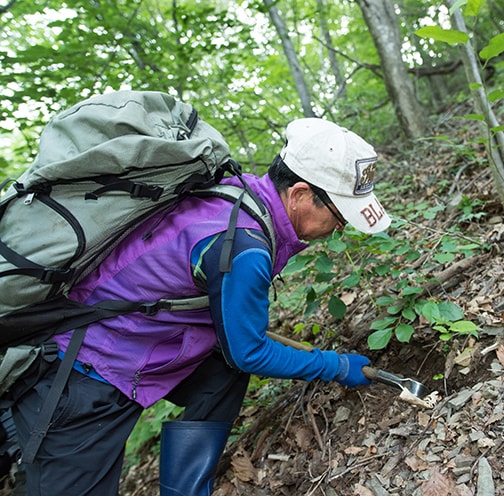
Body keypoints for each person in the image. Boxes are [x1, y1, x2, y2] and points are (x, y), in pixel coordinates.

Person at [8, 117, 392, 495]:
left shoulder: (234, 196)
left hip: (128, 353)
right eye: (339, 216)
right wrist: (336, 366)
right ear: (300, 194)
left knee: (222, 372)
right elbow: (250, 352)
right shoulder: (244, 246)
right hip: (79, 378)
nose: (339, 228)